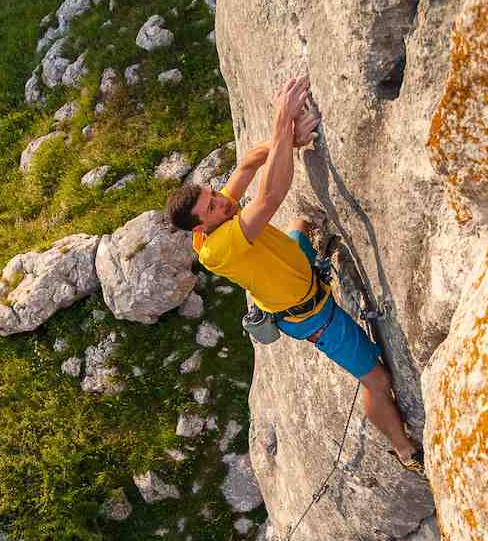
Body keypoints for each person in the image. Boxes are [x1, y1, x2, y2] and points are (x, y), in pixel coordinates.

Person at [163, 75, 425, 478]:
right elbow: (270, 196)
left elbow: (251, 161)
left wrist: (290, 143)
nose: (222, 203)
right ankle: (404, 449)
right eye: (212, 207)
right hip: (312, 315)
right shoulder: (217, 247)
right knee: (376, 379)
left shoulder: (219, 214)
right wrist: (282, 125)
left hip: (295, 265)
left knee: (301, 225)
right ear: (200, 228)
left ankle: (308, 241)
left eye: (214, 195)